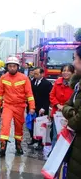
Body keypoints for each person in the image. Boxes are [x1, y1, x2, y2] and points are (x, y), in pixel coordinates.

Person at [0, 56, 35, 157]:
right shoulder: (3, 78)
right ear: (7, 67)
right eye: (10, 66)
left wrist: (32, 107)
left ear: (17, 67)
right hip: (8, 105)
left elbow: (29, 94)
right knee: (5, 125)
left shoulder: (24, 78)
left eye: (14, 66)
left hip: (20, 106)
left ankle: (18, 145)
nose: (12, 68)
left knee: (19, 127)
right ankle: (3, 146)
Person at [61, 46, 81, 179]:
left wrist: (72, 118)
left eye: (75, 58)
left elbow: (79, 120)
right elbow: (66, 106)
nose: (73, 63)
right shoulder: (78, 85)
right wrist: (72, 112)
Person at [49, 64, 74, 148]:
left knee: (68, 137)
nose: (65, 73)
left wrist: (67, 108)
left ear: (73, 72)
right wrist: (58, 105)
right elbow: (51, 95)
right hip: (57, 114)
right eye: (64, 70)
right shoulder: (58, 82)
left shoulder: (76, 84)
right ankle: (53, 155)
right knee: (55, 136)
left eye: (68, 71)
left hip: (70, 115)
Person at [29, 67, 53, 149]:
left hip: (42, 108)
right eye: (34, 73)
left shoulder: (47, 84)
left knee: (41, 125)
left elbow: (48, 97)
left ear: (42, 74)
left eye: (37, 74)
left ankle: (40, 143)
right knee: (31, 124)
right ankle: (33, 139)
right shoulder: (32, 82)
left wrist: (44, 107)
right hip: (32, 107)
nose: (35, 75)